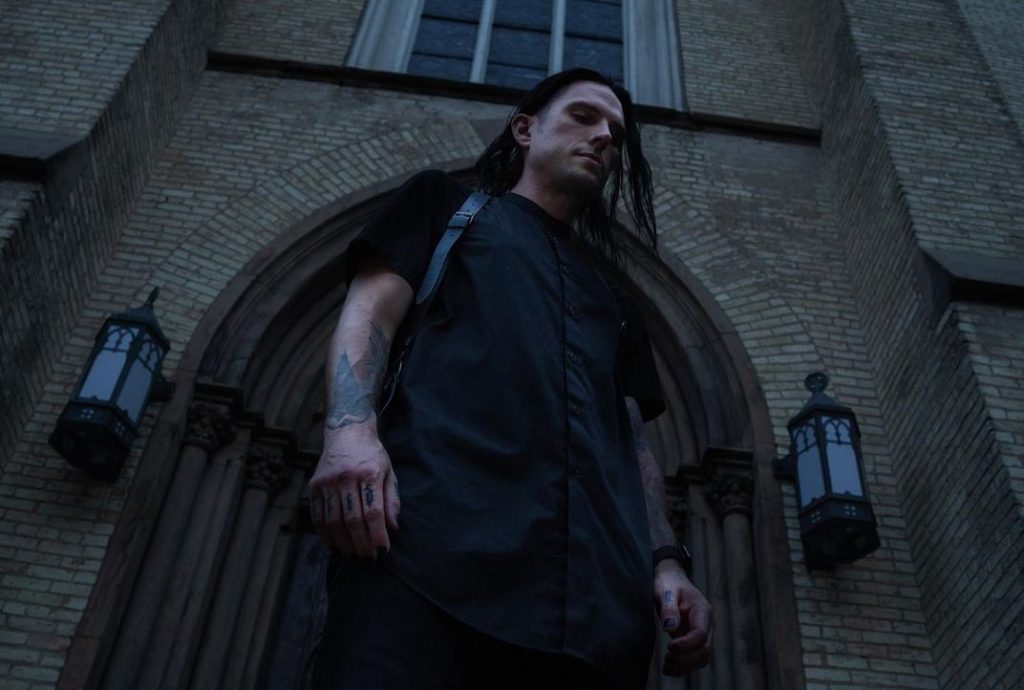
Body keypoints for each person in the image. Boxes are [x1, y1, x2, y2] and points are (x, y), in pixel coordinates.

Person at [307, 68, 712, 690]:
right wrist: (349, 432)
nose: (605, 136)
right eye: (583, 117)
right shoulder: (445, 208)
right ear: (525, 129)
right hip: (424, 559)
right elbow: (370, 314)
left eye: (615, 131)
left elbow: (632, 442)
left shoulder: (614, 299)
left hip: (590, 620)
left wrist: (666, 563)